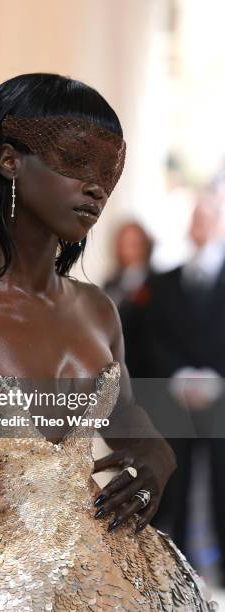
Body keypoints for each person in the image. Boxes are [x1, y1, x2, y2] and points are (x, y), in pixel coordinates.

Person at [0, 74, 216, 610]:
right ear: (9, 160)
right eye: (76, 160)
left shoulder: (98, 310)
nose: (96, 186)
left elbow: (131, 427)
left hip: (119, 588)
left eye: (109, 169)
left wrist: (157, 455)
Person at [144, 193, 225, 579]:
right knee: (175, 480)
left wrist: (216, 378)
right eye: (195, 219)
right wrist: (177, 375)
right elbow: (154, 336)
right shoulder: (166, 279)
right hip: (176, 401)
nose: (200, 225)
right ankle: (176, 566)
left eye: (207, 218)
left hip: (222, 399)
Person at [104, 222, 154, 376]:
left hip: (142, 367)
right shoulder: (111, 283)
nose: (124, 249)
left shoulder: (156, 283)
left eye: (131, 243)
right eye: (121, 243)